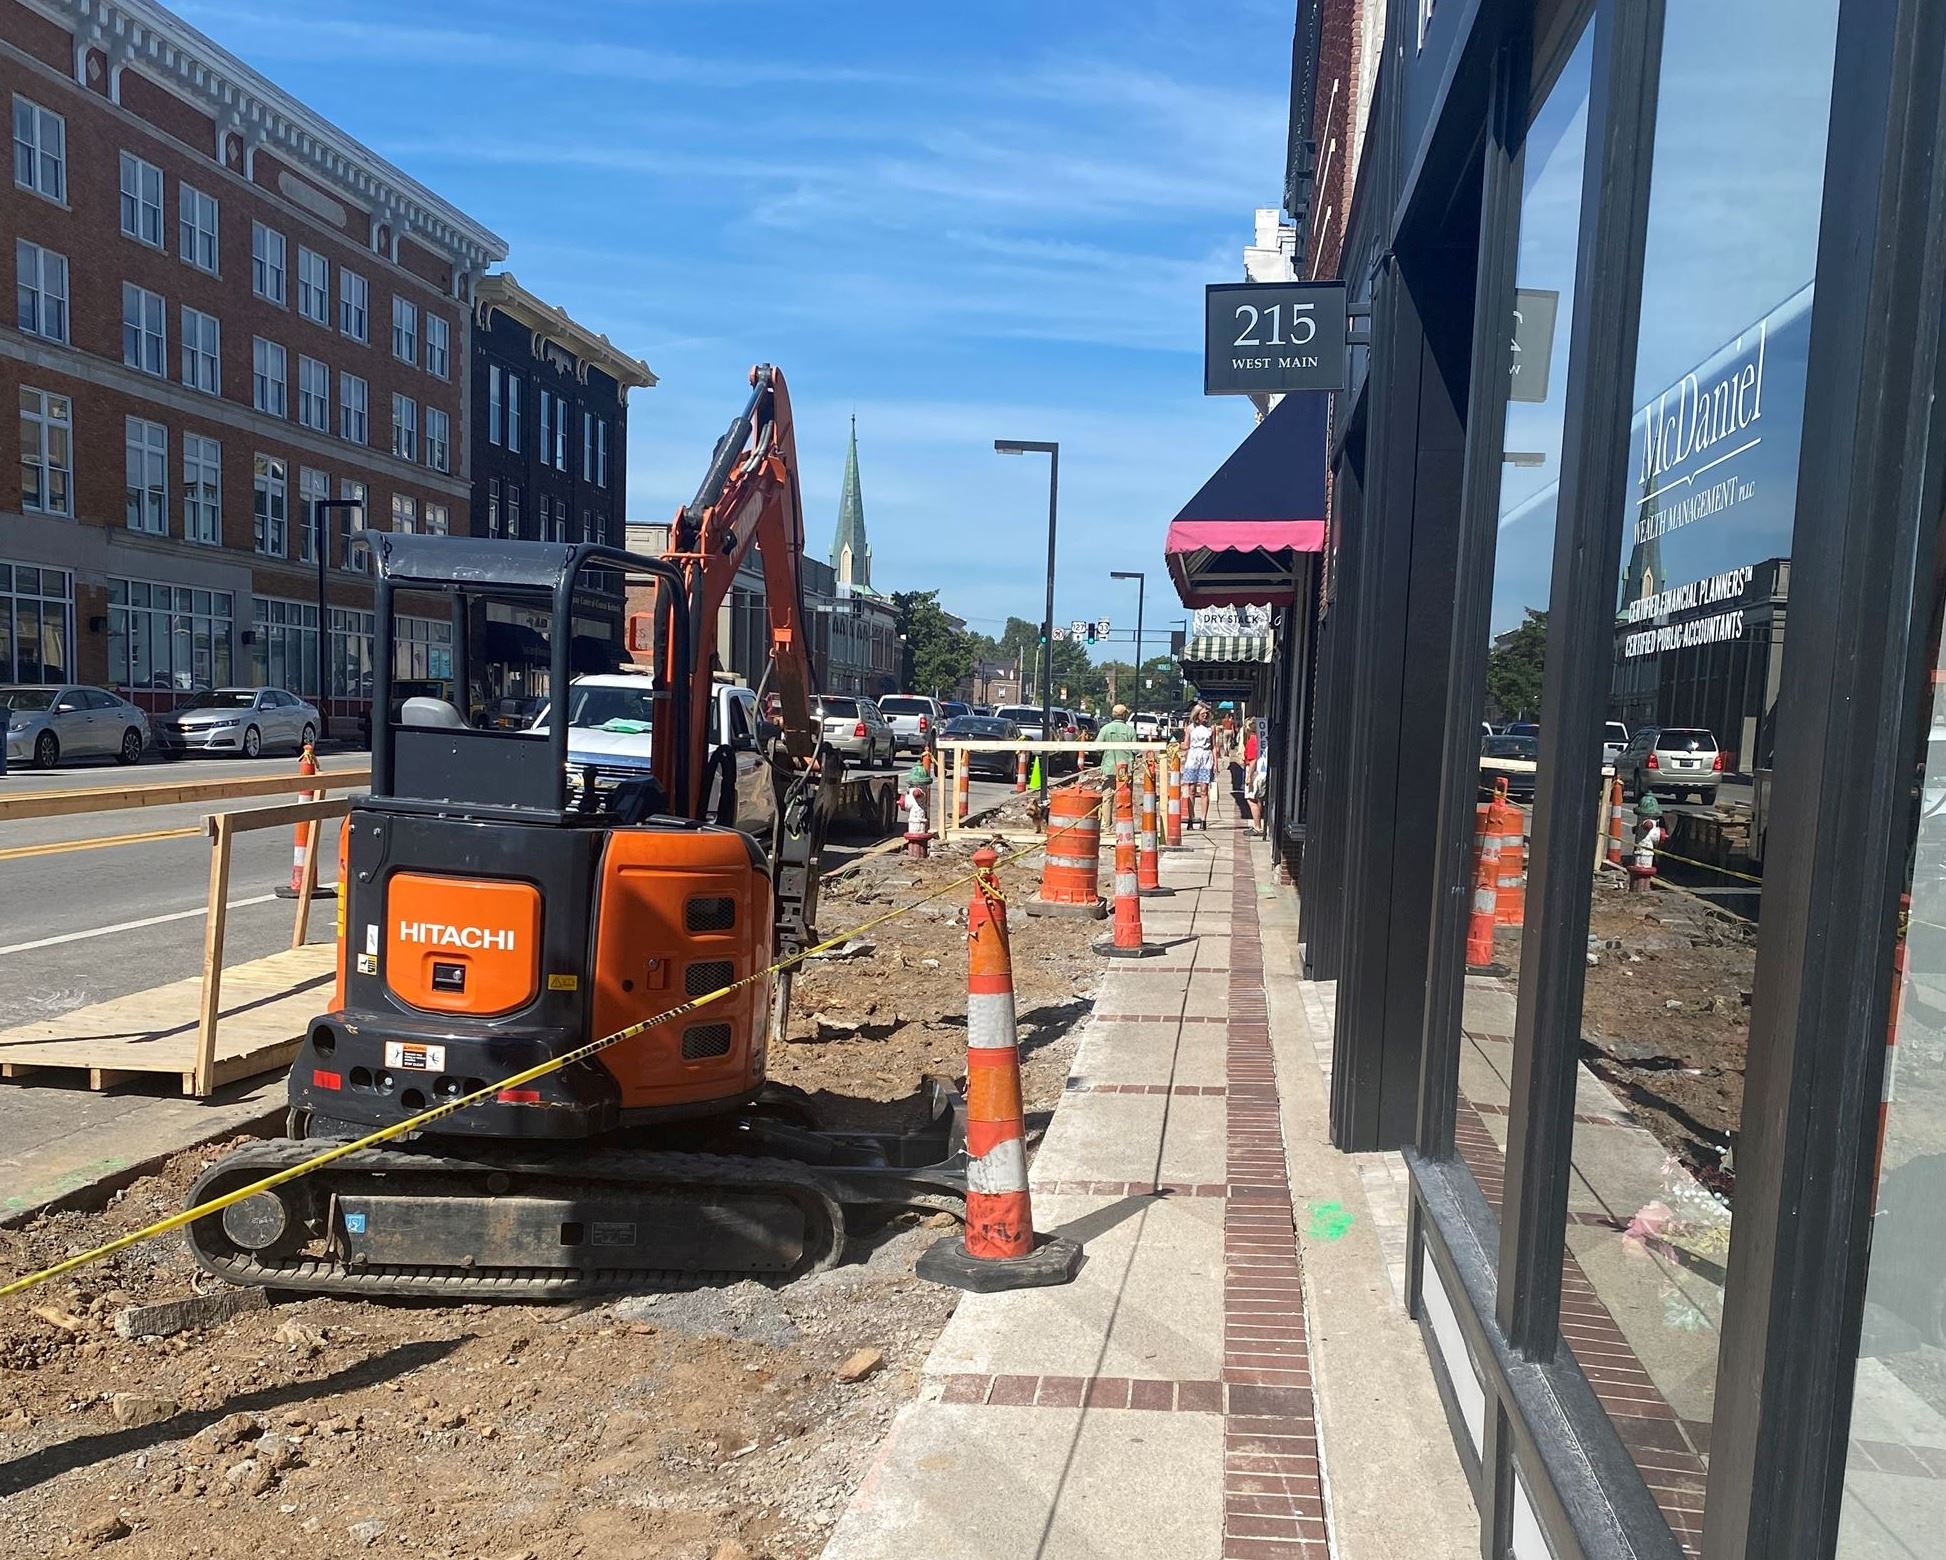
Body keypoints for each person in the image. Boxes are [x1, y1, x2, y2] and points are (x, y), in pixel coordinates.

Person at [1180, 704, 1215, 829]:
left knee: (1204, 788)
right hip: (1193, 757)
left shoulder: (1211, 729)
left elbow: (1213, 746)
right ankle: (1190, 818)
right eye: (1202, 714)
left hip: (1206, 757)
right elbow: (1186, 744)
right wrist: (1176, 746)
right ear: (1196, 715)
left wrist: (1215, 763)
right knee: (1191, 789)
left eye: (1206, 714)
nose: (1205, 716)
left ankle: (1203, 820)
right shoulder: (1190, 728)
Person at [1095, 701, 1138, 780]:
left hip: (1109, 769)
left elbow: (1097, 747)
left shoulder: (1105, 729)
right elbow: (1135, 751)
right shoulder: (1131, 730)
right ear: (1124, 715)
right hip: (1125, 770)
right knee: (1125, 791)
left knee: (1108, 792)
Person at [1243, 719, 1266, 837]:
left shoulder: (1252, 741)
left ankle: (1257, 827)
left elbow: (1252, 761)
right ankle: (1259, 825)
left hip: (1254, 772)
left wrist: (1248, 777)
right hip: (1261, 771)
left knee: (1251, 799)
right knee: (1258, 799)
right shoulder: (1260, 740)